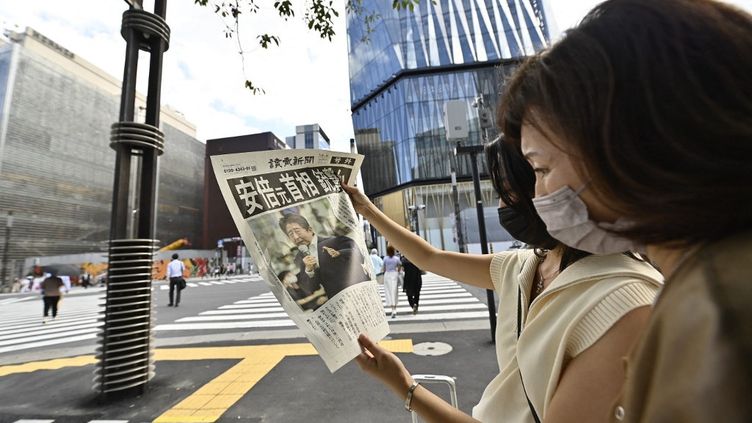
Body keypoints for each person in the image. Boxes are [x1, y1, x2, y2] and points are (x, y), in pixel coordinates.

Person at [497, 1, 752, 421]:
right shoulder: (707, 278)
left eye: (541, 168)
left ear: (626, 141)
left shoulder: (714, 313)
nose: (536, 192)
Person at [342, 136, 663, 423]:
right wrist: (367, 210)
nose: (501, 205)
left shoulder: (626, 301)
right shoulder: (524, 265)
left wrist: (406, 387)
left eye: (512, 190)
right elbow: (431, 258)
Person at [279, 213, 370, 299]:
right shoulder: (300, 258)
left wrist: (339, 253)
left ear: (309, 230)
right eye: (291, 234)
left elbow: (360, 256)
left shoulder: (335, 241)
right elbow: (310, 289)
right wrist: (309, 270)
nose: (295, 237)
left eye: (297, 231)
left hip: (358, 293)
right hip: (336, 301)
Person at [382, 245, 402, 318]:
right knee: (395, 292)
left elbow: (384, 268)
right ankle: (395, 309)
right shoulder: (396, 258)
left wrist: (384, 273)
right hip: (394, 274)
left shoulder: (385, 258)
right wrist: (398, 271)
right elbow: (399, 265)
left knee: (389, 292)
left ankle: (392, 309)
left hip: (387, 275)